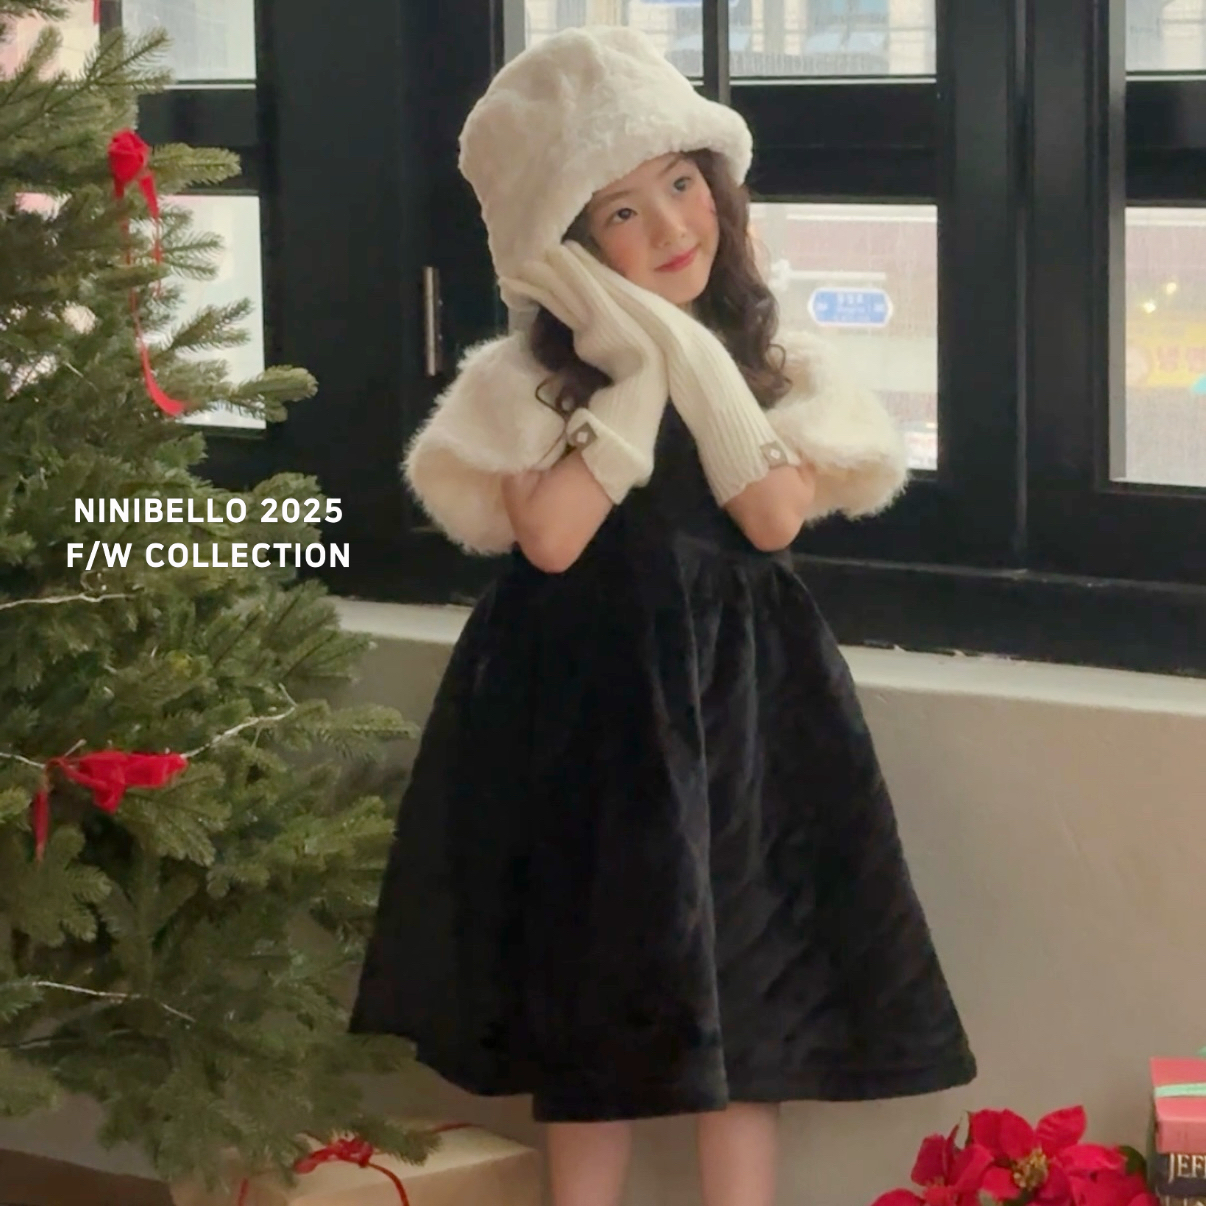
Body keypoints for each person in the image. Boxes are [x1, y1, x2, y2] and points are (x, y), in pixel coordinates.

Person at [351, 25, 975, 1206]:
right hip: (584, 710)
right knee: (592, 1009)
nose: (672, 227)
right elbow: (553, 538)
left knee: (752, 999)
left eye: (682, 184)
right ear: (567, 253)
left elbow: (773, 518)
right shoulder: (531, 380)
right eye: (621, 213)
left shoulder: (774, 361)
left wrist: (697, 364)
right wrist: (635, 378)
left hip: (747, 706)